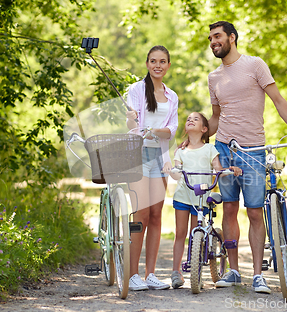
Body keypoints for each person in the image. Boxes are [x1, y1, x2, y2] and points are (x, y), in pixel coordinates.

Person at [206, 21, 287, 293]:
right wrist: (197, 137)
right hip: (224, 149)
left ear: (232, 37)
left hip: (253, 150)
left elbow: (277, 99)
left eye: (217, 36)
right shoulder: (214, 77)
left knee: (255, 211)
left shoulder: (255, 65)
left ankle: (257, 275)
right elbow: (217, 118)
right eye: (210, 38)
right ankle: (233, 271)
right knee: (229, 208)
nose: (213, 42)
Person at [165, 112, 242, 289]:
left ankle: (195, 269)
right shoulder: (181, 150)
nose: (190, 120)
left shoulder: (210, 149)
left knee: (195, 234)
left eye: (195, 119)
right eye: (188, 119)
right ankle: (176, 272)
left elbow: (218, 169)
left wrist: (229, 169)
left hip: (201, 197)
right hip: (184, 195)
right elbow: (177, 174)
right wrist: (170, 169)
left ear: (204, 129)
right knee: (180, 233)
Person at [125, 45, 178, 291]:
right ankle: (133, 274)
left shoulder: (172, 96)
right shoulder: (136, 89)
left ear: (168, 65)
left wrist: (156, 132)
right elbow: (132, 124)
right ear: (147, 63)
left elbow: (172, 130)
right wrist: (132, 120)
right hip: (138, 154)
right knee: (142, 215)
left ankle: (151, 274)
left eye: (163, 61)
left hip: (161, 156)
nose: (158, 65)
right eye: (153, 61)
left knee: (157, 215)